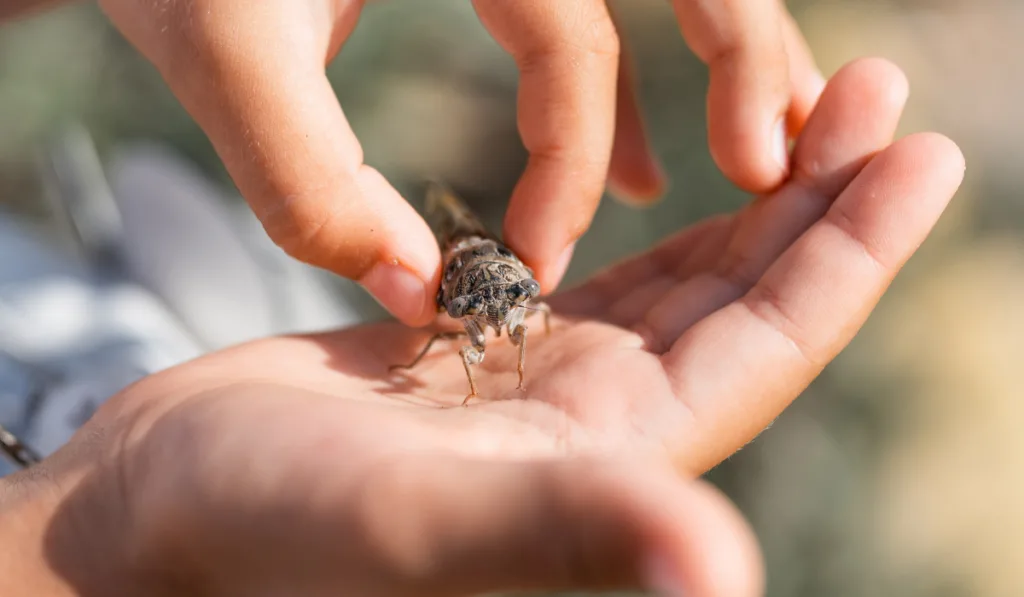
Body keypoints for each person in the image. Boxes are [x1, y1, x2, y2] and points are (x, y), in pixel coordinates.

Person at [0, 2, 965, 596]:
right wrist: (80, 535)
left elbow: (497, 304)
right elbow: (455, 325)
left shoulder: (504, 299)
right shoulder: (468, 316)